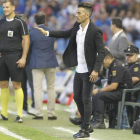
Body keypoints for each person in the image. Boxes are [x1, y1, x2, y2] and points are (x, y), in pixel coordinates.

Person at [36, 2, 105, 139]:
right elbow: (65, 33)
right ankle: (87, 123)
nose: (76, 15)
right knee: (77, 97)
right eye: (76, 12)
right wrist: (48, 33)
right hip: (79, 69)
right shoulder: (77, 27)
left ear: (87, 14)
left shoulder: (95, 31)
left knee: (86, 99)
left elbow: (101, 52)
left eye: (79, 13)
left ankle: (85, 129)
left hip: (89, 71)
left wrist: (96, 69)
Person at [0, 0, 29, 123]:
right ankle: (4, 114)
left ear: (13, 7)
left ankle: (19, 115)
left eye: (7, 7)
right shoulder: (1, 22)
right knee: (3, 85)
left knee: (17, 85)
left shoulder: (20, 22)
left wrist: (23, 57)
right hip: (3, 57)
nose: (5, 9)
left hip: (15, 56)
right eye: (3, 7)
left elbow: (26, 41)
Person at [91, 48, 133, 129]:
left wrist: (99, 90)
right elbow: (110, 85)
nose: (102, 64)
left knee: (99, 95)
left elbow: (113, 86)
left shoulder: (117, 66)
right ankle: (96, 119)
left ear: (108, 58)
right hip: (119, 91)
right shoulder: (112, 66)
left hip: (124, 93)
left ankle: (100, 122)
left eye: (103, 62)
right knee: (97, 94)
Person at [29, 12, 58, 120]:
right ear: (45, 20)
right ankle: (51, 113)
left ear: (35, 21)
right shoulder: (51, 31)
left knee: (37, 88)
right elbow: (54, 45)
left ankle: (39, 113)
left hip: (37, 62)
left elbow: (29, 47)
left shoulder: (32, 33)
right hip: (51, 61)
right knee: (51, 88)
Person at [124, 45, 140, 126]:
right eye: (127, 55)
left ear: (136, 55)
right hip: (125, 91)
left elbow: (136, 78)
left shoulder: (137, 66)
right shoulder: (127, 66)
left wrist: (121, 82)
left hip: (132, 93)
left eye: (130, 55)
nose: (128, 57)